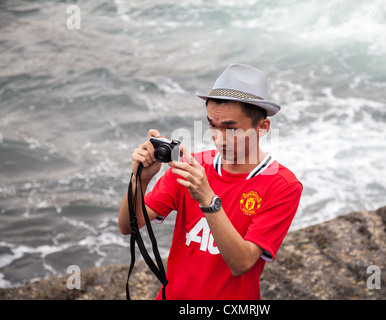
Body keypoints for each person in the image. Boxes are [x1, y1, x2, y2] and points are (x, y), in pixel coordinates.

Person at [118, 64, 303, 299]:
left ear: (262, 127)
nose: (220, 139)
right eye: (213, 126)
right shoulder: (191, 167)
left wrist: (208, 200)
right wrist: (141, 181)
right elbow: (128, 226)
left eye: (231, 128)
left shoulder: (282, 185)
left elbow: (242, 263)